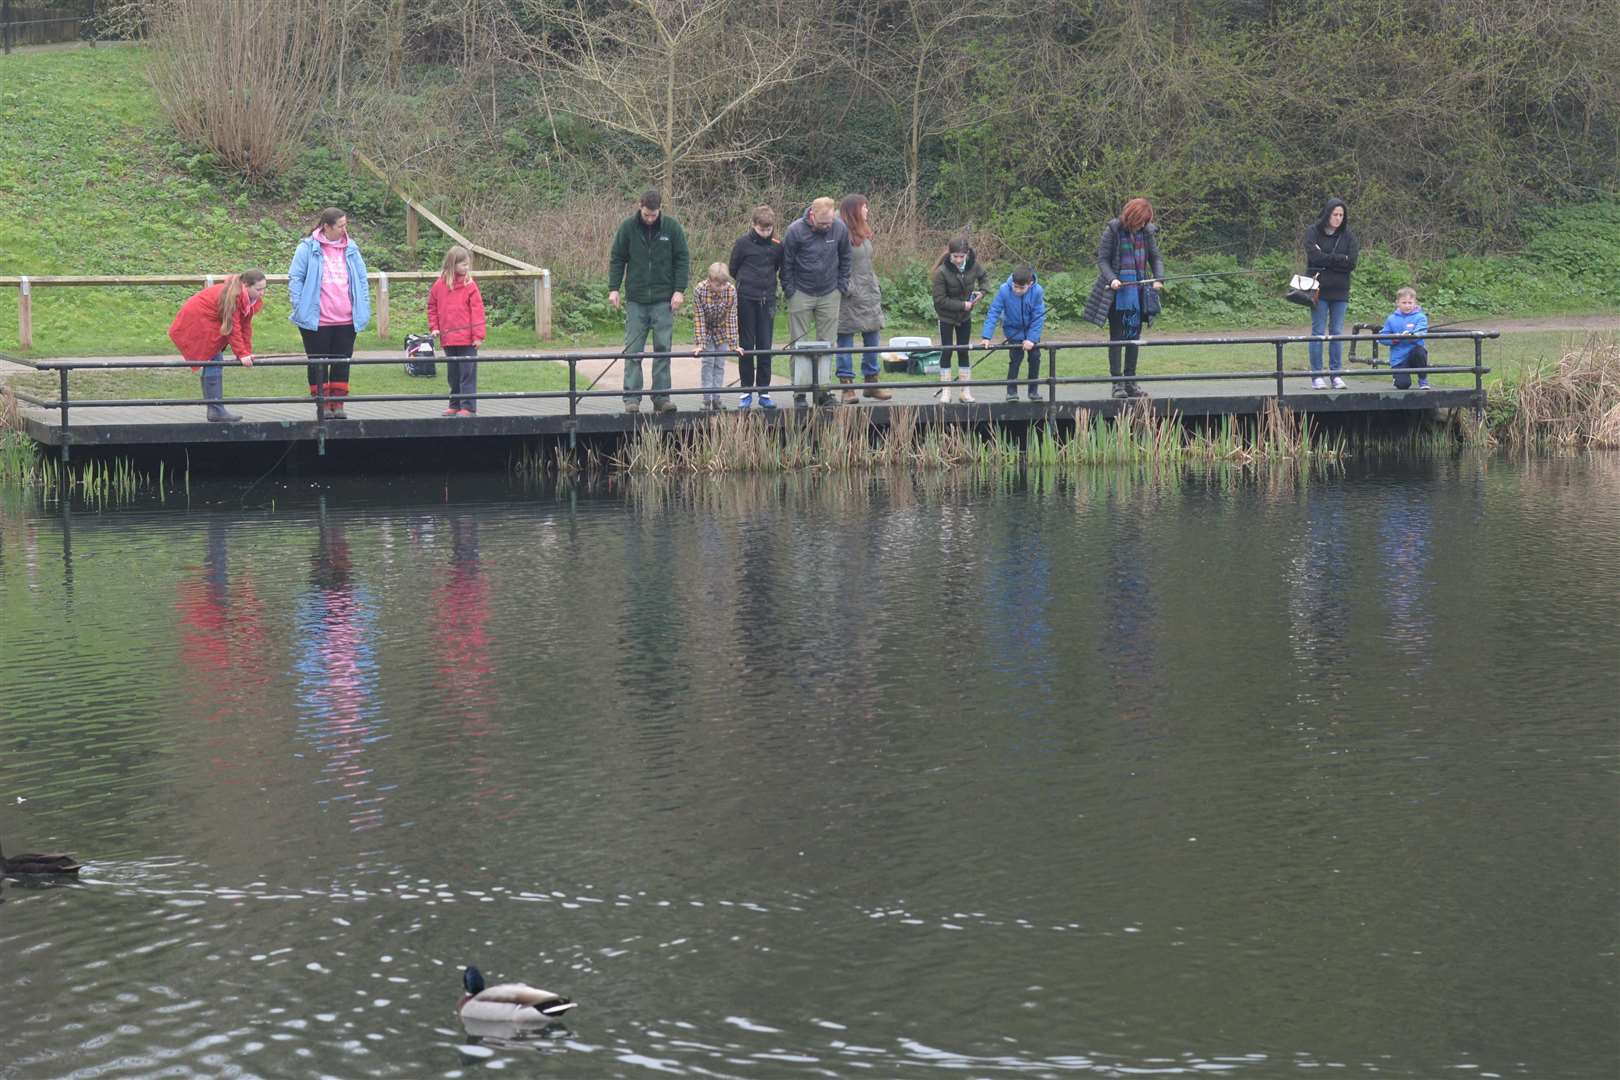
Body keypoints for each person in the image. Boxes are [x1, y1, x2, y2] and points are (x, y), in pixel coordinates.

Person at [608, 191, 690, 414]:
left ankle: (662, 397)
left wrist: (679, 291)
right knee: (633, 349)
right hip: (636, 300)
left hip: (664, 300)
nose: (650, 218)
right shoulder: (627, 228)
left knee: (663, 348)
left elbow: (682, 259)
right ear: (640, 207)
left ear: (659, 209)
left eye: (654, 215)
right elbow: (617, 258)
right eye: (647, 214)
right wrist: (613, 288)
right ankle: (632, 398)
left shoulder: (672, 228)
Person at [289, 207, 371, 419]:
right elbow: (296, 278)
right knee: (318, 362)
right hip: (317, 319)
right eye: (341, 225)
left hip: (346, 318)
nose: (345, 229)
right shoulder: (307, 248)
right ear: (327, 226)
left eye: (346, 225)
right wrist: (298, 305)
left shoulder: (351, 248)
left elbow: (362, 279)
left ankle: (339, 403)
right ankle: (322, 404)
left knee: (342, 361)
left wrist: (363, 304)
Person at [1082, 197, 1163, 399]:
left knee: (1134, 339)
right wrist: (1113, 279)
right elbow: (1102, 260)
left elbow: (1155, 257)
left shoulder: (1147, 232)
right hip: (1116, 296)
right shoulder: (1113, 229)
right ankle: (1117, 384)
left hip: (1139, 294)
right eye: (1139, 221)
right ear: (1131, 217)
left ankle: (1131, 383)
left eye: (1145, 221)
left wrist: (1158, 278)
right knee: (1117, 338)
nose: (1142, 225)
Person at [168, 269, 267, 422]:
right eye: (258, 289)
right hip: (198, 320)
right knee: (213, 357)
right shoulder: (233, 296)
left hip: (211, 321)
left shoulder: (249, 300)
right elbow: (232, 327)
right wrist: (241, 354)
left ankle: (216, 409)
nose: (262, 293)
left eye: (264, 289)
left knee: (215, 359)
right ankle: (215, 410)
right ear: (246, 285)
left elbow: (245, 325)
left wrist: (246, 352)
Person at [781, 196, 851, 407]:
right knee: (798, 344)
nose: (827, 226)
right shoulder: (795, 231)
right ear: (812, 214)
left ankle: (823, 392)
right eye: (823, 223)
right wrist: (790, 290)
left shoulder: (839, 228)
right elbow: (786, 263)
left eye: (830, 222)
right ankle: (799, 393)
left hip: (830, 293)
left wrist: (842, 285)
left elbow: (846, 257)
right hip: (800, 292)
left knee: (827, 344)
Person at [834, 194, 892, 404]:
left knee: (872, 340)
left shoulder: (863, 231)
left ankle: (871, 383)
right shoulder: (839, 232)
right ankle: (847, 387)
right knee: (846, 342)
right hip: (849, 298)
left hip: (869, 295)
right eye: (864, 207)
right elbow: (834, 264)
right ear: (853, 210)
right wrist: (849, 288)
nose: (867, 210)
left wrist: (874, 285)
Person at [727, 205, 785, 409]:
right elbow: (733, 268)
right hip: (745, 299)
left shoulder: (778, 245)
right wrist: (747, 284)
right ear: (754, 225)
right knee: (745, 346)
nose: (765, 233)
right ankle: (746, 391)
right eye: (762, 229)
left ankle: (764, 392)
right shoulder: (742, 243)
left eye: (769, 229)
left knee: (765, 346)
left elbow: (779, 268)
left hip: (767, 299)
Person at [1303, 197, 1359, 390]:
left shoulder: (1349, 237)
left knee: (1336, 332)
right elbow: (1314, 256)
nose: (1338, 218)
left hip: (1340, 290)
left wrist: (1327, 259)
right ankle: (1317, 375)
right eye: (1335, 214)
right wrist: (1338, 259)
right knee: (1318, 332)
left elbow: (1351, 263)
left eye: (1341, 215)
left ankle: (1336, 375)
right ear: (1327, 214)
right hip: (1318, 290)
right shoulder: (1313, 232)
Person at [427, 245, 487, 416]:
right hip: (448, 338)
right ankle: (454, 404)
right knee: (453, 373)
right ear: (453, 264)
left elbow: (478, 311)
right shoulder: (439, 285)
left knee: (467, 373)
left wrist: (478, 336)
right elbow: (432, 306)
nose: (466, 268)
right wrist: (435, 327)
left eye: (468, 265)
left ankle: (468, 406)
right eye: (463, 265)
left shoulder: (470, 285)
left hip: (467, 339)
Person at [930, 236, 989, 402]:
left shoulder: (974, 266)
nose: (958, 260)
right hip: (946, 317)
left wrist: (982, 292)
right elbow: (939, 300)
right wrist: (963, 305)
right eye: (955, 256)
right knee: (947, 351)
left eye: (961, 256)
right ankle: (946, 391)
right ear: (950, 254)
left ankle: (965, 391)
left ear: (967, 254)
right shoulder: (941, 272)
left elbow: (984, 278)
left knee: (964, 351)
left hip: (965, 317)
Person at [979, 266, 1048, 402]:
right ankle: (1011, 392)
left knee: (1035, 358)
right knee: (1015, 360)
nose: (1017, 290)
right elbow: (994, 312)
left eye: (1021, 288)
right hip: (1012, 331)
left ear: (1030, 284)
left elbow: (1039, 316)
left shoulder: (1037, 292)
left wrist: (1031, 339)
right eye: (1015, 287)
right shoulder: (1004, 289)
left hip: (1031, 332)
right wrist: (986, 337)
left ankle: (1033, 392)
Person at [691, 262, 741, 411]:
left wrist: (734, 344)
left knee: (719, 364)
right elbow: (699, 317)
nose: (722, 288)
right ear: (710, 280)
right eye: (718, 285)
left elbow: (732, 317)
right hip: (706, 330)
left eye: (724, 284)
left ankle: (717, 398)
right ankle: (706, 399)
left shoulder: (731, 291)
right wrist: (700, 343)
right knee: (708, 363)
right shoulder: (699, 290)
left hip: (722, 330)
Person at [1378, 286, 1431, 390]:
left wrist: (1411, 335)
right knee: (1403, 385)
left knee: (1420, 351)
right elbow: (1382, 337)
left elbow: (1421, 332)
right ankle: (1397, 379)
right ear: (1397, 303)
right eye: (1404, 302)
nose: (1407, 306)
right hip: (1399, 358)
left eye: (1410, 303)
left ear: (1415, 303)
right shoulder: (1391, 319)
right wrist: (1394, 339)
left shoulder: (1421, 317)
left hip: (1414, 354)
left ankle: (1423, 380)